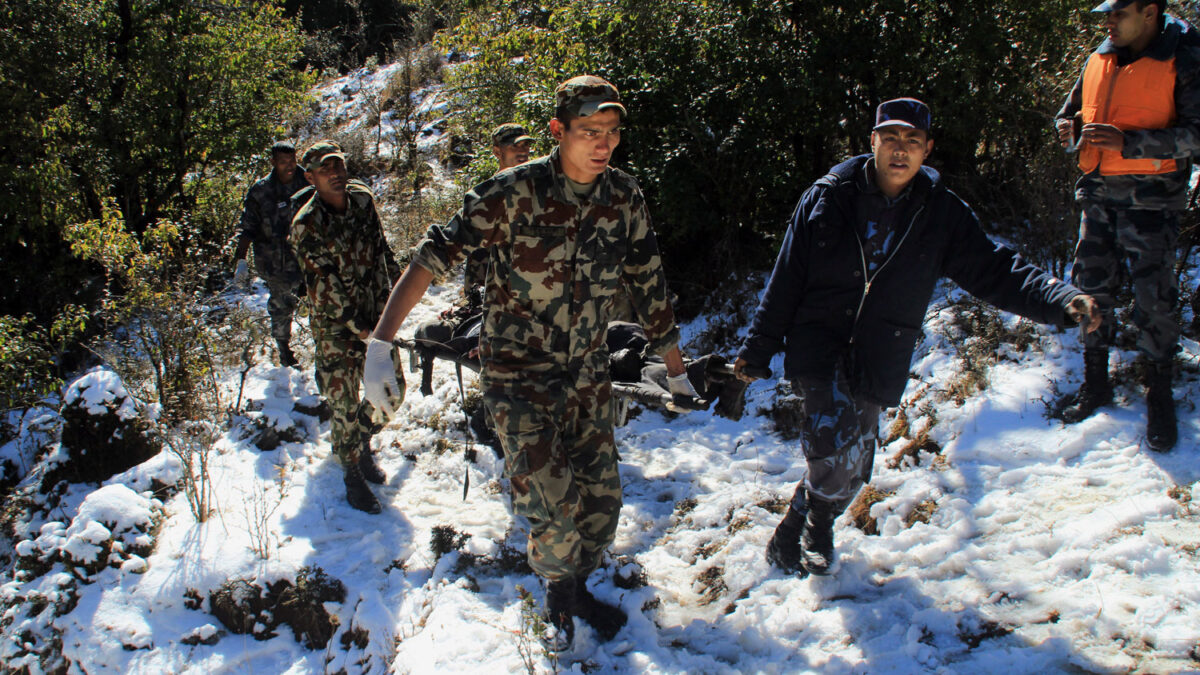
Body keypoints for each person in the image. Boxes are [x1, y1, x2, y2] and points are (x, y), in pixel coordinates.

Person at [362, 75, 699, 651]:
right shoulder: (512, 192)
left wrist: (674, 365)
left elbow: (648, 280)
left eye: (612, 133)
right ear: (558, 131)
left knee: (601, 509)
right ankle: (556, 596)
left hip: (588, 375)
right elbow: (432, 255)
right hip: (518, 378)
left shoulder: (623, 195)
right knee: (556, 510)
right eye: (589, 132)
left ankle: (574, 585)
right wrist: (379, 343)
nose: (603, 144)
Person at [733, 98, 1102, 578]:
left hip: (880, 348)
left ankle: (802, 520)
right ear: (873, 143)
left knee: (857, 463)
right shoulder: (829, 196)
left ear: (927, 149)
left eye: (912, 141)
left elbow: (995, 268)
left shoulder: (941, 214)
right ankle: (809, 530)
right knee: (831, 446)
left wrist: (1060, 299)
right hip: (818, 341)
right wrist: (756, 350)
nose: (900, 151)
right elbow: (786, 278)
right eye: (890, 139)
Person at [1052, 0, 1199, 451]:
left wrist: (1130, 142)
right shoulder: (1102, 52)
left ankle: (1159, 397)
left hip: (1151, 201)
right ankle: (1097, 383)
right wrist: (1068, 129)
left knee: (1155, 300)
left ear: (1150, 12)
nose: (1108, 23)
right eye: (1107, 15)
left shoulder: (1186, 55)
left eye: (1119, 14)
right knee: (1091, 288)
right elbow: (1068, 110)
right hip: (1098, 193)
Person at [289, 140, 404, 514]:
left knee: (392, 393)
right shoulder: (306, 226)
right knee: (342, 404)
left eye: (338, 165)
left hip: (376, 316)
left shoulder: (362, 200)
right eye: (326, 169)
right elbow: (326, 291)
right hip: (336, 328)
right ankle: (352, 471)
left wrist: (400, 293)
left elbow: (382, 249)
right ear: (310, 177)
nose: (336, 174)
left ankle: (359, 441)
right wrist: (363, 331)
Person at [233, 141, 310, 367]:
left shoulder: (307, 181)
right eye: (284, 162)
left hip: (307, 258)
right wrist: (241, 260)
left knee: (318, 301)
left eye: (293, 160)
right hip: (275, 262)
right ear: (273, 162)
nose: (289, 166)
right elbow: (248, 227)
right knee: (281, 306)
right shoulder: (261, 190)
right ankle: (284, 349)